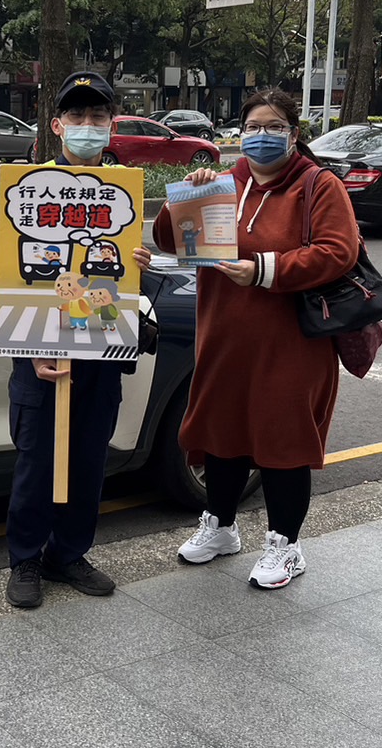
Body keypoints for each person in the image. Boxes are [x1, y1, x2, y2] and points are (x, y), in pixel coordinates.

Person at [134, 89, 358, 590]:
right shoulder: (223, 184)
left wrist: (262, 270)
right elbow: (170, 241)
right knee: (222, 432)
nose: (262, 136)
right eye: (253, 127)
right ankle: (220, 527)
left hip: (292, 344)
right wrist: (183, 198)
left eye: (274, 127)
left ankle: (286, 545)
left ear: (293, 134)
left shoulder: (317, 186)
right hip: (224, 336)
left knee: (283, 440)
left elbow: (337, 252)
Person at [6, 71, 131, 609]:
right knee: (38, 463)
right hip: (41, 354)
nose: (87, 125)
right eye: (76, 116)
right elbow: (11, 278)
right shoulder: (30, 190)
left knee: (88, 460)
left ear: (111, 124)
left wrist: (138, 263)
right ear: (57, 126)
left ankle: (69, 554)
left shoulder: (125, 192)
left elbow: (121, 281)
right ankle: (25, 559)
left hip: (101, 351)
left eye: (97, 116)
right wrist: (32, 349)